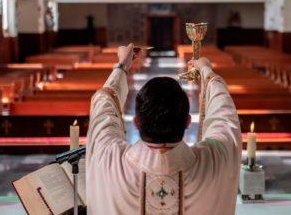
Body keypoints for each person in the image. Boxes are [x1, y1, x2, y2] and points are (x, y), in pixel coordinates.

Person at [86, 44, 242, 215]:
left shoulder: (109, 158)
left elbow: (103, 105)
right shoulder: (214, 161)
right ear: (188, 122)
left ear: (136, 122)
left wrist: (122, 64)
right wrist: (206, 71)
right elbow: (224, 115)